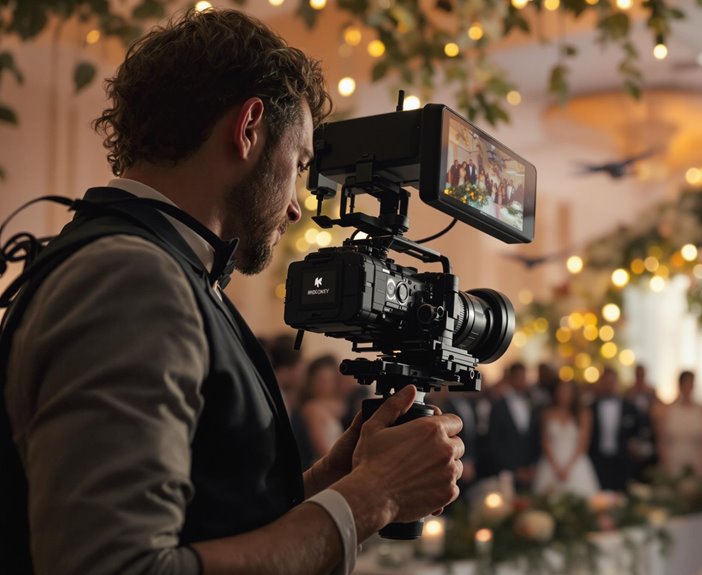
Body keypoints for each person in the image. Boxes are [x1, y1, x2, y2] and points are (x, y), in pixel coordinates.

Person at [0, 10, 464, 574]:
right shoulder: (133, 278)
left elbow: (204, 511)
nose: (296, 205)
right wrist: (374, 499)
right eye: (298, 164)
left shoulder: (166, 265)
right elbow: (116, 565)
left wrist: (333, 480)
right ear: (248, 129)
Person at [534, 379, 600, 497]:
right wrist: (556, 466)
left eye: (568, 391)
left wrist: (568, 467)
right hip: (552, 462)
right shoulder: (547, 413)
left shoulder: (583, 413)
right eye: (561, 391)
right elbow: (545, 442)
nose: (564, 394)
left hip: (575, 461)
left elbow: (583, 443)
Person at [486, 363, 541, 491]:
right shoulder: (498, 406)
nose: (522, 381)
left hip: (530, 470)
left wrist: (532, 465)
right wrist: (514, 469)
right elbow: (494, 441)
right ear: (510, 378)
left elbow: (534, 437)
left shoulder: (532, 403)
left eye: (524, 377)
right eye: (519, 377)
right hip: (506, 471)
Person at [589, 367, 644, 492]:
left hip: (622, 460)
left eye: (611, 381)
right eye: (606, 382)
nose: (609, 385)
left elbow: (637, 431)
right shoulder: (591, 407)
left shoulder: (629, 407)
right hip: (598, 460)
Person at [655, 370, 702, 477]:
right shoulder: (667, 411)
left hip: (696, 462)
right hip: (673, 461)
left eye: (690, 384)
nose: (688, 387)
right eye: (685, 384)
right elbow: (661, 441)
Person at [300, 356, 347, 468]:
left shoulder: (333, 405)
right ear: (311, 381)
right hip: (323, 467)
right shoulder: (312, 408)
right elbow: (322, 450)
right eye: (321, 380)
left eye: (330, 381)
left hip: (334, 462)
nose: (326, 386)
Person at [626, 364, 658, 481]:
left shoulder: (651, 391)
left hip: (648, 432)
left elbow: (656, 411)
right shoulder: (629, 391)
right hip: (634, 433)